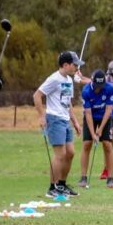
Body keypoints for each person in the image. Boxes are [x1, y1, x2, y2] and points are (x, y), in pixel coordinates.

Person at [34, 51, 84, 198]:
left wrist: (75, 122)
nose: (77, 67)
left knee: (70, 153)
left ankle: (61, 185)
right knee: (60, 155)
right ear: (65, 65)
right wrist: (42, 116)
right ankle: (52, 187)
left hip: (65, 120)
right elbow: (37, 95)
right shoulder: (54, 79)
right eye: (75, 65)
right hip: (54, 119)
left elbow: (67, 102)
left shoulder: (68, 80)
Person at [76, 69, 113, 188]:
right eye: (97, 86)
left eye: (101, 85)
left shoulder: (109, 88)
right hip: (90, 117)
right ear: (92, 82)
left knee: (107, 145)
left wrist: (101, 129)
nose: (99, 88)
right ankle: (83, 177)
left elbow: (109, 110)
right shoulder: (86, 91)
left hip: (105, 117)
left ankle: (111, 178)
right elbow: (87, 114)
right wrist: (93, 134)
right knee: (87, 144)